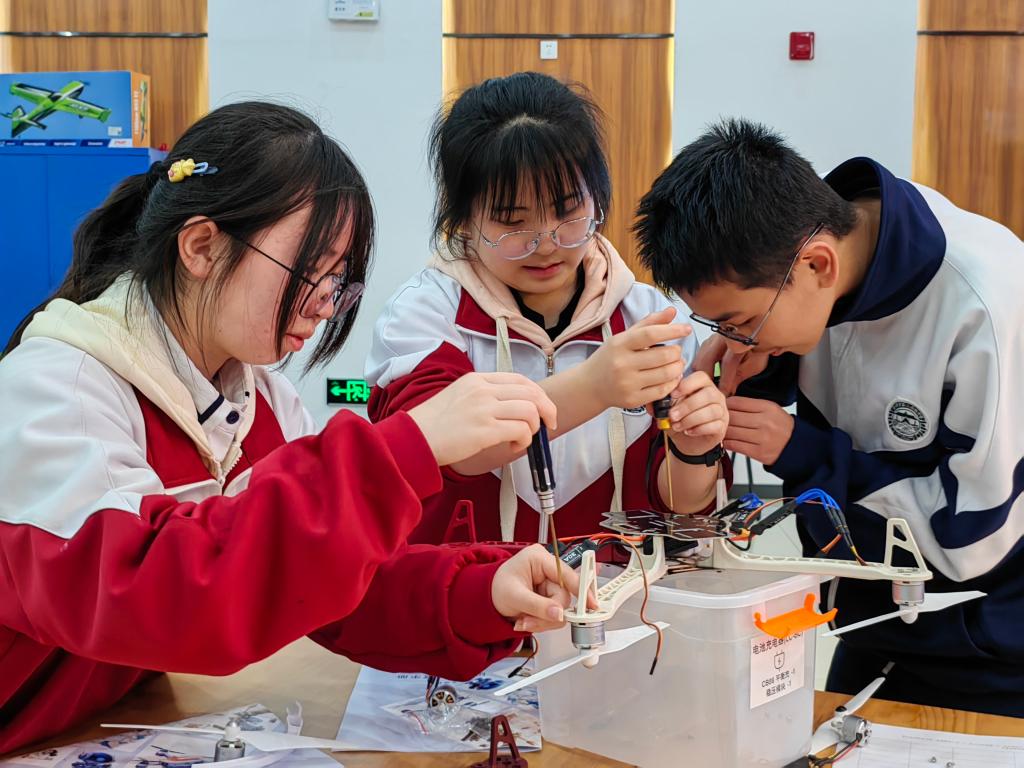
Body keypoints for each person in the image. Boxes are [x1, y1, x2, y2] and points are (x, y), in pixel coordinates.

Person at [0, 102, 580, 752]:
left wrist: (479, 592)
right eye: (310, 272)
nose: (325, 307)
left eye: (338, 282)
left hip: (93, 728)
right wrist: (404, 447)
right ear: (201, 246)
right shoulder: (58, 387)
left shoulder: (262, 400)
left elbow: (328, 580)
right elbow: (157, 591)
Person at [634, 117, 1024, 715]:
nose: (733, 341)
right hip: (869, 625)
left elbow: (970, 540)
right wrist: (762, 362)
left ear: (818, 266)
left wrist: (802, 451)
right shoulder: (828, 244)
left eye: (741, 322)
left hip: (987, 646)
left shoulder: (986, 304)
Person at [366, 72, 728, 546]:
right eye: (512, 222)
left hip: (615, 590)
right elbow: (440, 451)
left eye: (567, 211)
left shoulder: (648, 318)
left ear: (597, 197)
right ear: (463, 218)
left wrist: (695, 447)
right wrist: (594, 387)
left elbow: (680, 505)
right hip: (469, 587)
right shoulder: (424, 314)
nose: (546, 244)